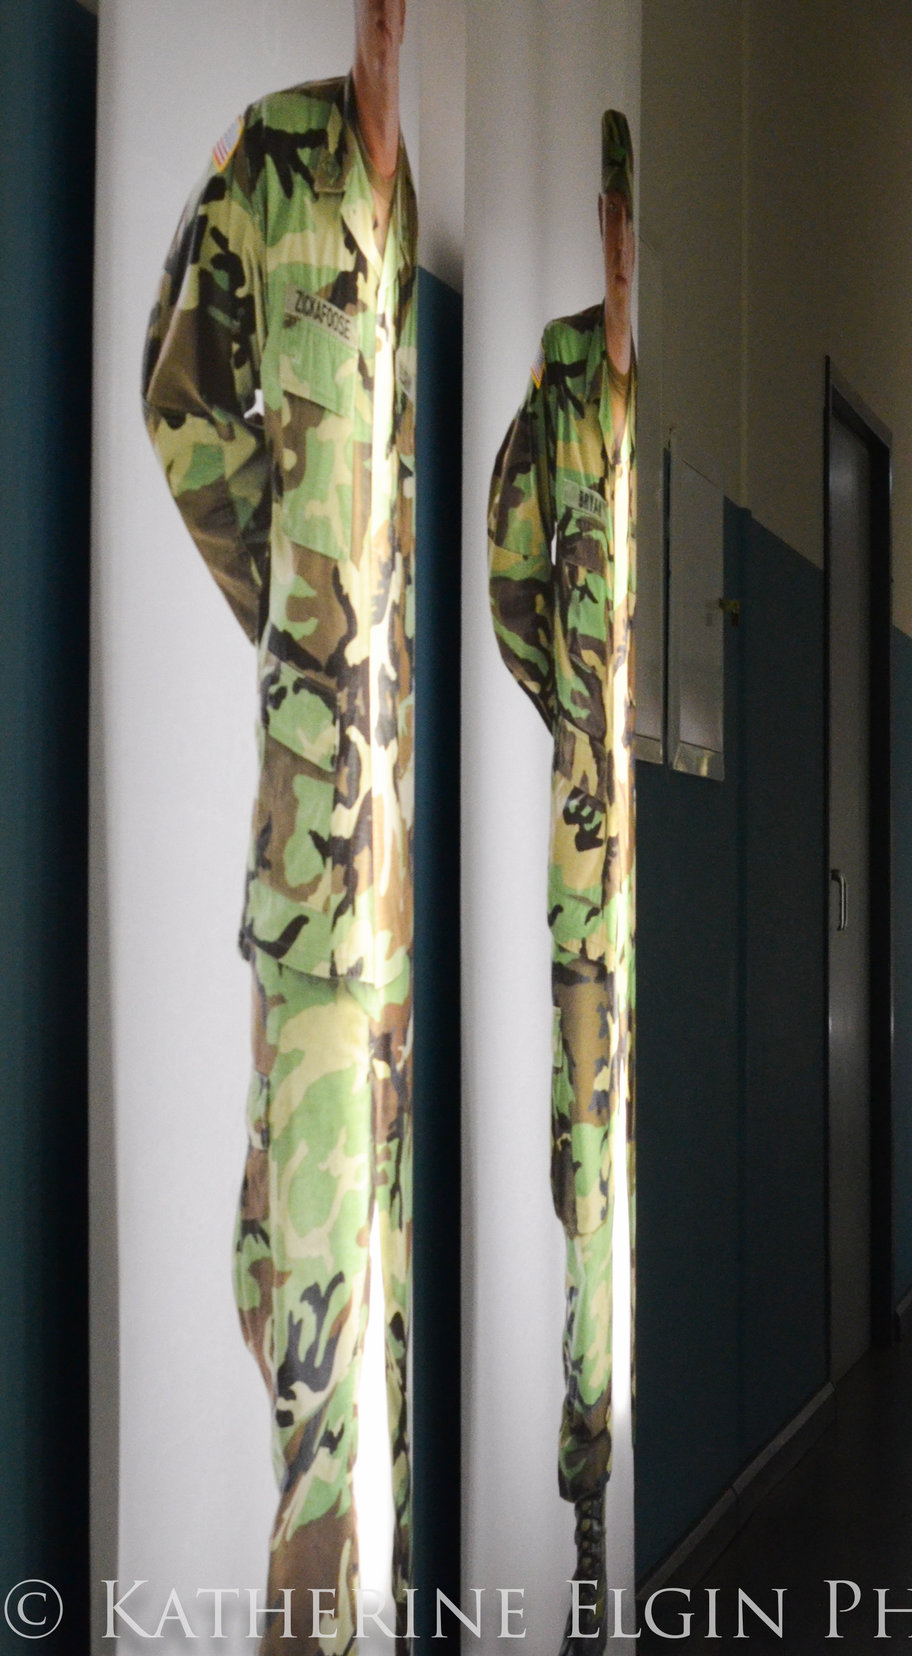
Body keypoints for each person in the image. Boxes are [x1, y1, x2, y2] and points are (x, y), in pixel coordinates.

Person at [141, 1, 418, 1644]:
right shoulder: (281, 154)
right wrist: (300, 636)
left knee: (357, 1313)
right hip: (313, 877)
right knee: (302, 1306)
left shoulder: (398, 193)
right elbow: (185, 408)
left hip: (386, 878)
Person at [485, 109, 642, 1648]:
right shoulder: (565, 369)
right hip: (588, 856)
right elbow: (509, 565)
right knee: (581, 1160)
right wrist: (584, 736)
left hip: (625, 848)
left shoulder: (644, 393)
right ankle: (586, 1502)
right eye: (611, 211)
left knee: (616, 1161)